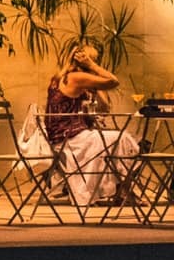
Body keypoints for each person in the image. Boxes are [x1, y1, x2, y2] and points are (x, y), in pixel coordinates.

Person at [42, 41, 139, 208]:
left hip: (61, 138)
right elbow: (113, 81)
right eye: (94, 60)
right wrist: (93, 67)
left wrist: (95, 85)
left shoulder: (59, 77)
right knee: (122, 138)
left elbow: (104, 108)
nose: (96, 63)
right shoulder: (77, 77)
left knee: (115, 140)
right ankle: (124, 192)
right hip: (71, 140)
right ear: (85, 61)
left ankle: (122, 191)